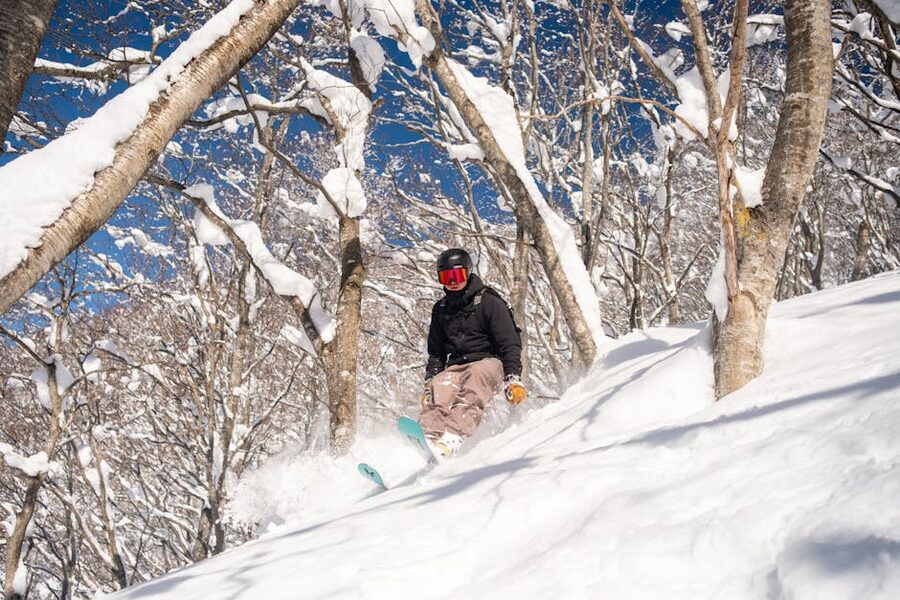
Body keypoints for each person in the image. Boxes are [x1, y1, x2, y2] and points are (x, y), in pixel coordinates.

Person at [418, 248, 527, 457]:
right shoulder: (441, 309)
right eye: (446, 276)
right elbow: (436, 352)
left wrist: (513, 378)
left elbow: (510, 343)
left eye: (456, 275)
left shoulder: (488, 302)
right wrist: (430, 381)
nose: (452, 282)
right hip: (457, 366)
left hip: (489, 362)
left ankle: (452, 437)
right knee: (439, 386)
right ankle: (428, 439)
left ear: (467, 273)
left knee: (474, 380)